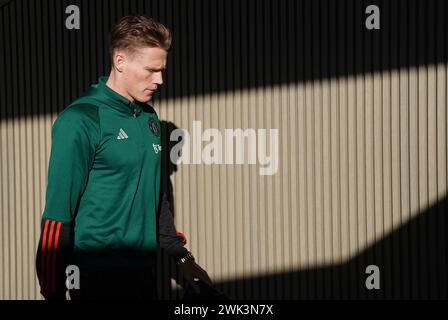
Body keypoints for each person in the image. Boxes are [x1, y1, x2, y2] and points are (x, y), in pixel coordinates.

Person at [35, 15, 212, 300]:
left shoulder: (148, 118)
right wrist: (53, 292)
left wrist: (183, 259)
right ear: (120, 62)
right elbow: (57, 218)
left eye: (162, 70)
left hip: (144, 273)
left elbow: (156, 198)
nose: (160, 80)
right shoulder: (81, 120)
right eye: (151, 70)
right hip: (96, 278)